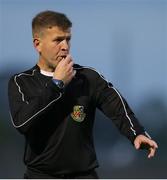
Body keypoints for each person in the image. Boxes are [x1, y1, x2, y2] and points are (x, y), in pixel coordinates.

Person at [8, 10, 158, 179]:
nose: (65, 46)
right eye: (57, 40)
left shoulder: (88, 77)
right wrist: (57, 84)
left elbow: (117, 107)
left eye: (67, 39)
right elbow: (22, 122)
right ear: (38, 44)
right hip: (40, 176)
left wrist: (137, 132)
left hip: (83, 175)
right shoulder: (21, 82)